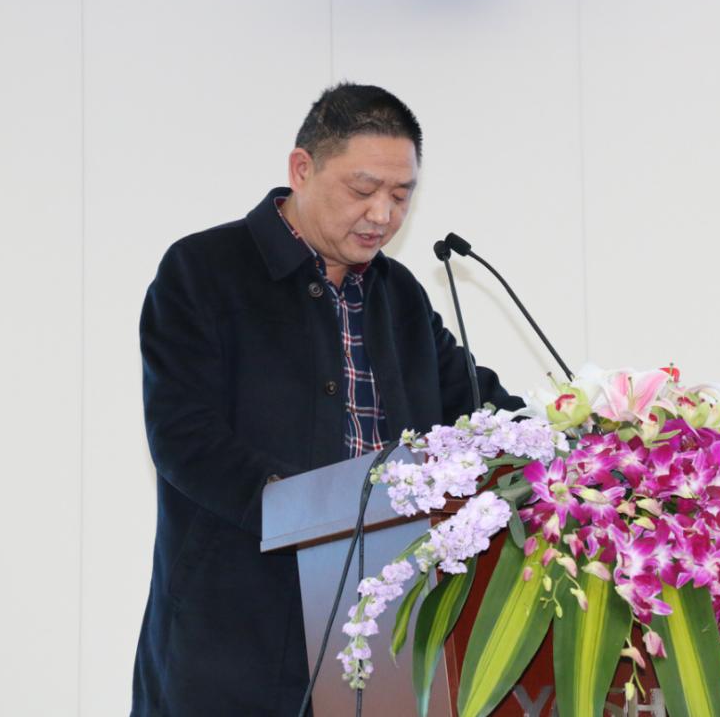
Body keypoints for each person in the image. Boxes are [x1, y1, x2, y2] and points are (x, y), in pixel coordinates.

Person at [131, 83, 520, 716]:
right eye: (363, 190)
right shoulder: (204, 270)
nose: (382, 215)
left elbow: (479, 408)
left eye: (401, 196)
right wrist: (309, 512)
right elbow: (184, 437)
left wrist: (583, 441)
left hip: (382, 630)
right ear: (302, 169)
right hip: (235, 629)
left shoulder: (400, 295)